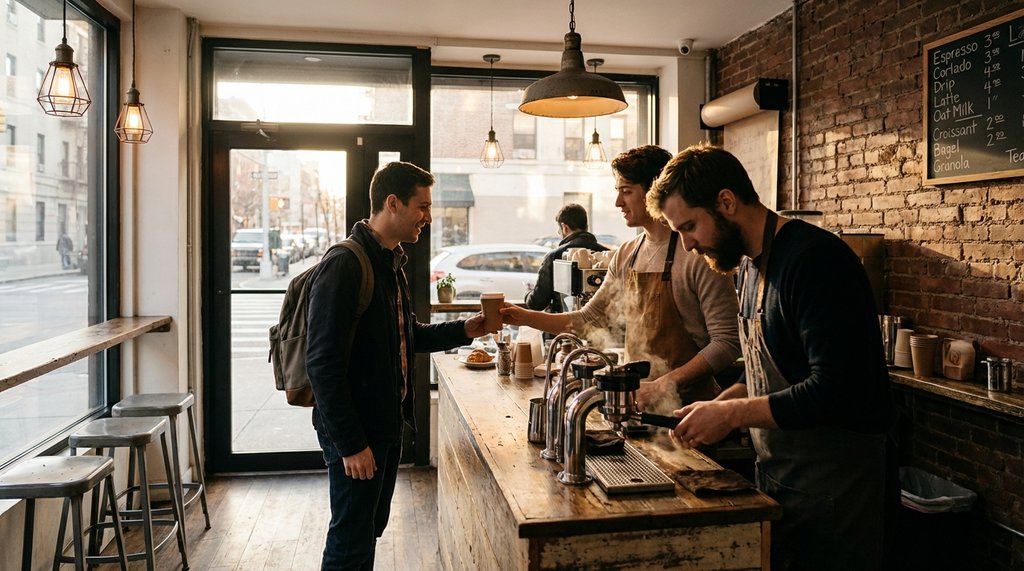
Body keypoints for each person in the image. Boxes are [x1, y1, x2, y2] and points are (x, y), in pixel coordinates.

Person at [647, 142, 896, 570]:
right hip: (782, 480)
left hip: (837, 489)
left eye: (689, 227)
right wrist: (718, 405)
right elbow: (770, 372)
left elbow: (837, 390)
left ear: (726, 202)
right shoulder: (747, 266)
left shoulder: (815, 261)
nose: (687, 246)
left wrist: (731, 415)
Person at [305, 161, 495, 570]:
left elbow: (409, 335)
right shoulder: (345, 264)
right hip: (358, 432)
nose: (429, 217)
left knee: (367, 530)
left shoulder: (390, 261)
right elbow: (321, 363)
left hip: (383, 427)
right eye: (422, 206)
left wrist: (466, 329)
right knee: (349, 540)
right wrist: (351, 444)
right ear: (393, 203)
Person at [502, 145, 741, 411]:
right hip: (636, 404)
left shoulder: (697, 253)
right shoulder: (627, 254)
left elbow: (728, 342)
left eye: (626, 191)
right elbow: (589, 319)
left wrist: (663, 385)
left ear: (654, 190)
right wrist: (521, 316)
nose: (618, 202)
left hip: (690, 411)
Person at [524, 203, 609, 313]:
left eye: (559, 230)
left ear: (564, 227)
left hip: (562, 321)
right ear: (586, 227)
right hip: (602, 320)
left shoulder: (554, 256)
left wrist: (528, 293)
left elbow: (537, 303)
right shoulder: (607, 254)